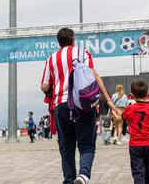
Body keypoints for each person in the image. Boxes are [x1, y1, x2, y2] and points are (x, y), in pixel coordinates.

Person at [40, 28, 117, 184]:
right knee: (87, 145)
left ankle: (68, 180)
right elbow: (94, 75)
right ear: (73, 40)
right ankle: (83, 175)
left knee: (66, 148)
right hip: (82, 105)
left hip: (61, 105)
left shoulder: (51, 59)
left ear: (58, 42)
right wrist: (108, 100)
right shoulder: (82, 53)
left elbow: (44, 86)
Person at [122, 80, 149, 184]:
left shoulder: (129, 109)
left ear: (131, 95)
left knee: (138, 173)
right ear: (148, 93)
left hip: (135, 145)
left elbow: (121, 118)